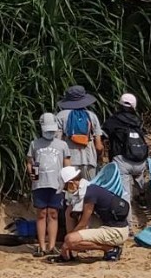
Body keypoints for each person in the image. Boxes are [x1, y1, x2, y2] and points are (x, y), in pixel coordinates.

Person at [27, 113, 71, 258]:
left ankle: (51, 246)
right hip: (40, 183)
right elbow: (29, 161)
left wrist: (68, 180)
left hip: (56, 183)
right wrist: (31, 173)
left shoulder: (62, 145)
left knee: (53, 214)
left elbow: (67, 164)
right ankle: (41, 245)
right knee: (41, 214)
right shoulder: (35, 144)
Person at [101, 93, 149, 226]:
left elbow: (102, 137)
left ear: (119, 104)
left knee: (124, 194)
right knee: (138, 175)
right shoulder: (138, 121)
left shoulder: (113, 120)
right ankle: (142, 193)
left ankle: (128, 225)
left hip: (123, 161)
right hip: (140, 161)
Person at [56, 86, 104, 181]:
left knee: (71, 192)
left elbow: (57, 142)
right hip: (89, 160)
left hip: (69, 162)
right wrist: (99, 158)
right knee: (88, 192)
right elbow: (99, 146)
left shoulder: (60, 116)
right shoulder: (92, 116)